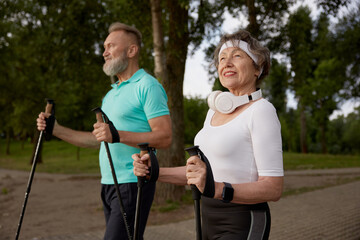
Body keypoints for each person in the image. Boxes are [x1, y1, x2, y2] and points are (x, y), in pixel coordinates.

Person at [133, 29, 283, 239]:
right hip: (207, 218)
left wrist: (216, 188)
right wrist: (154, 171)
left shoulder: (262, 110)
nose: (226, 63)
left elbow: (273, 189)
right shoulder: (214, 111)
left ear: (258, 67)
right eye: (222, 58)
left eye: (237, 56)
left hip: (242, 221)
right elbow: (198, 175)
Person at [37, 22, 172, 240]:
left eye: (110, 46)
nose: (104, 52)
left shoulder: (147, 85)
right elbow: (98, 139)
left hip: (133, 181)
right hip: (108, 183)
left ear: (131, 50)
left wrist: (117, 135)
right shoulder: (110, 95)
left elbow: (164, 136)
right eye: (104, 47)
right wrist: (56, 129)